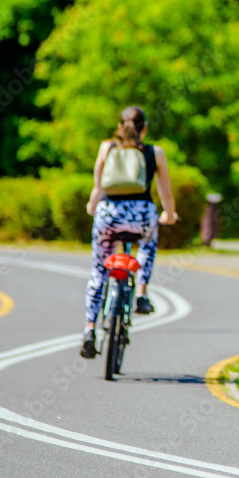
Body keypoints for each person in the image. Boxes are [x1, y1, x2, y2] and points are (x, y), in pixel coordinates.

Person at [80, 106, 178, 359]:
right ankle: (142, 293)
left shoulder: (107, 148)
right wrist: (169, 214)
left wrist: (92, 208)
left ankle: (90, 329)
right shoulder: (154, 152)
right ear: (144, 128)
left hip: (109, 216)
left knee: (99, 270)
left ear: (120, 127)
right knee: (148, 244)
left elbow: (98, 187)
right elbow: (165, 193)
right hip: (141, 215)